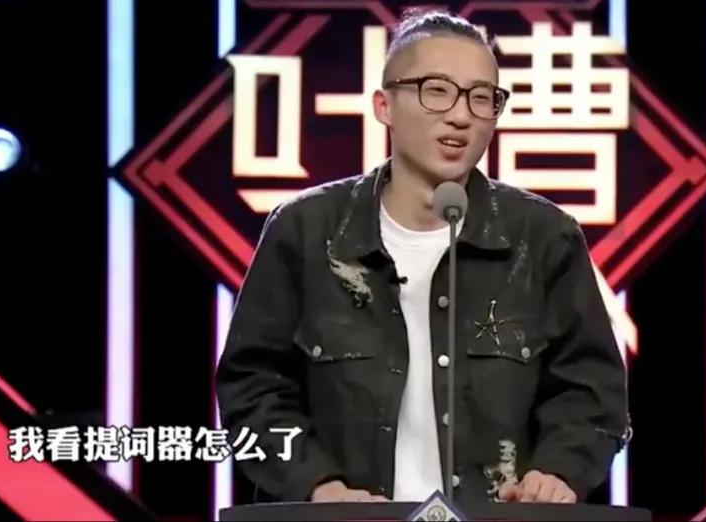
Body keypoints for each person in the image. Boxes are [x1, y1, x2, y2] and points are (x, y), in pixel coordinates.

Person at [215, 8, 631, 507]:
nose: (460, 115)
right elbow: (252, 388)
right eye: (437, 90)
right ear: (384, 105)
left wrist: (558, 470)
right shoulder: (304, 231)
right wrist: (318, 487)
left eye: (482, 97)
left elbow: (592, 391)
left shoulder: (544, 238)